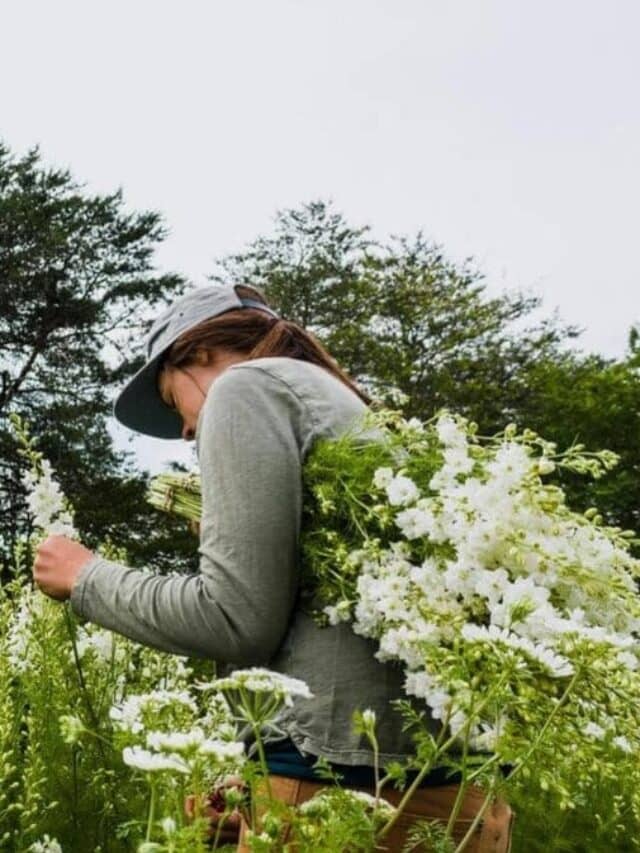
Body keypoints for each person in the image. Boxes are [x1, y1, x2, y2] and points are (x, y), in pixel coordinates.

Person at [32, 283, 513, 851]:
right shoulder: (346, 407)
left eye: (171, 401)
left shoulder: (245, 388)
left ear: (201, 352)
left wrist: (87, 578)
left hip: (336, 795)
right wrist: (255, 788)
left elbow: (234, 618)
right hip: (450, 799)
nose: (186, 429)